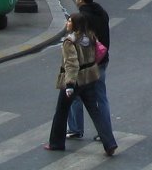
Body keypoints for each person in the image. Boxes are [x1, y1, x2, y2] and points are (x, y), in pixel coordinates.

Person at [44, 13, 117, 156]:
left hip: (75, 80)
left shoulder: (69, 41)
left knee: (61, 112)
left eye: (70, 21)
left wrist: (70, 85)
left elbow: (71, 64)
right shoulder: (90, 37)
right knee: (95, 112)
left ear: (75, 25)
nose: (67, 23)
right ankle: (109, 143)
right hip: (89, 79)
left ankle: (56, 143)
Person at [67, 0, 111, 140]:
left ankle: (75, 128)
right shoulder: (102, 13)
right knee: (101, 97)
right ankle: (105, 132)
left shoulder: (82, 18)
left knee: (75, 95)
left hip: (87, 64)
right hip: (102, 60)